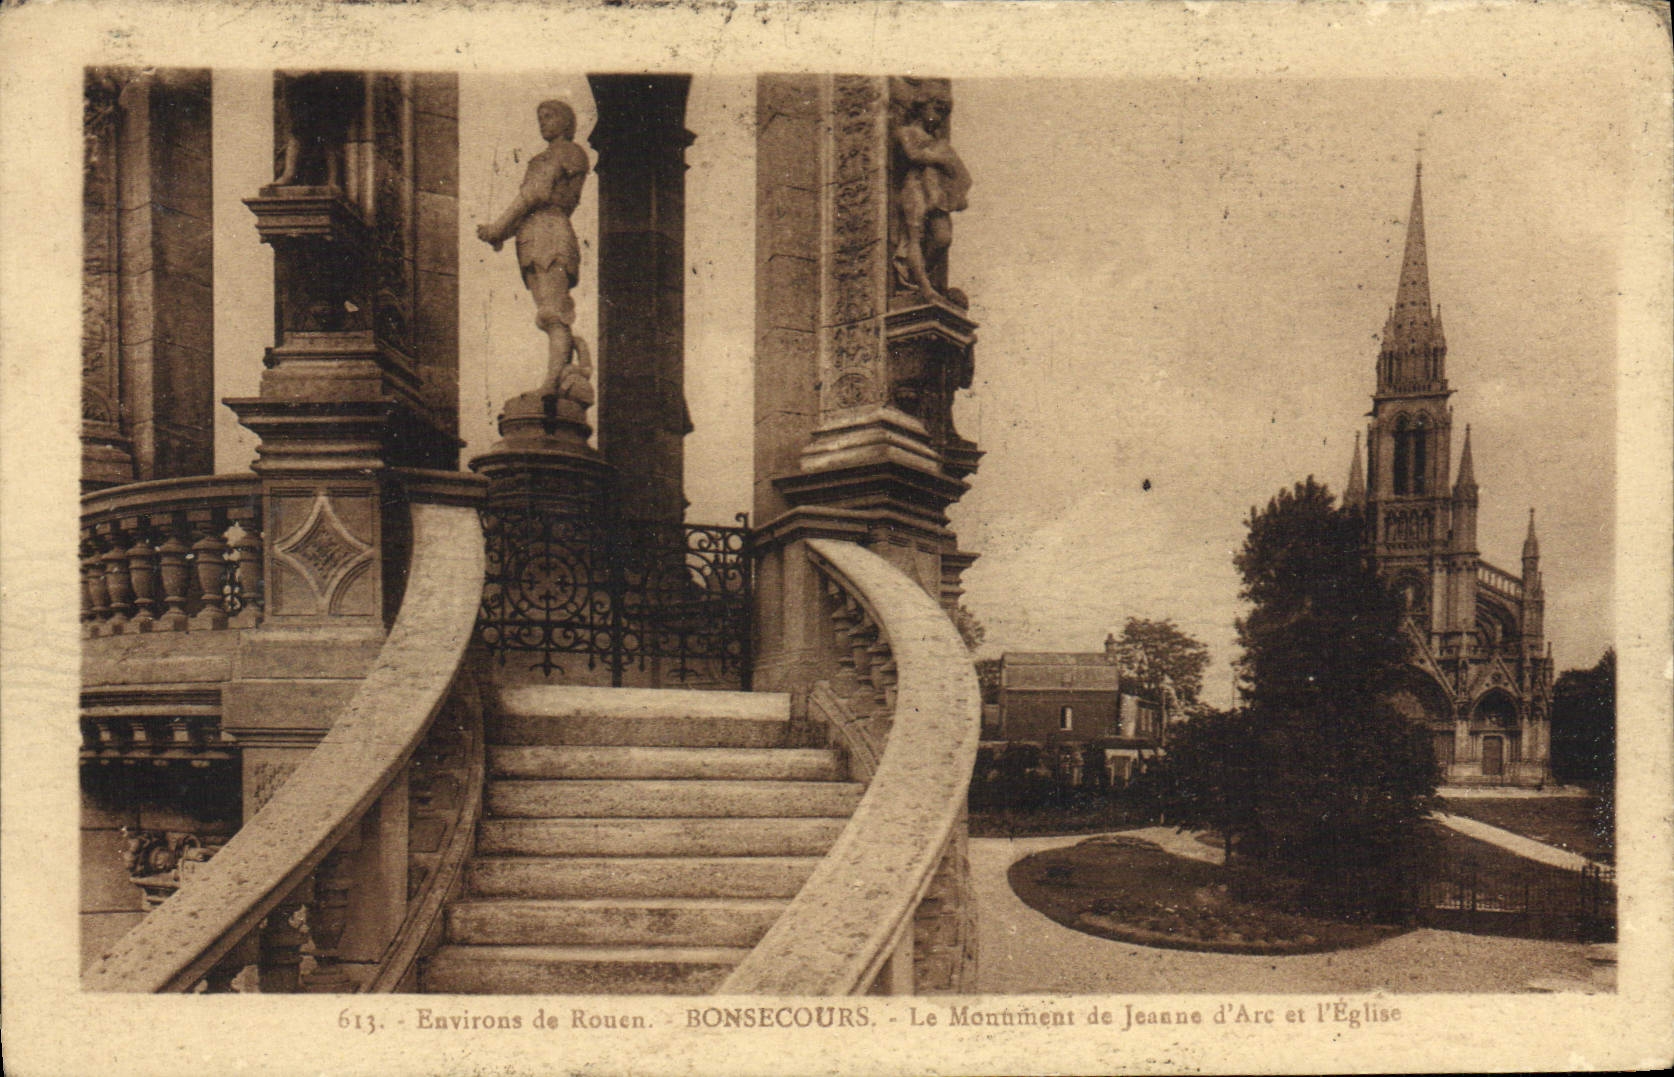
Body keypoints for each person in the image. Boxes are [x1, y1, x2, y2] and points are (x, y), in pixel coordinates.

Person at [477, 99, 594, 405]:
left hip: (549, 235)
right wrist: (502, 232)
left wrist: (499, 226)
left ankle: (552, 384)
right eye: (540, 116)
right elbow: (530, 206)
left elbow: (536, 193)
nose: (543, 121)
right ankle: (558, 375)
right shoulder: (553, 154)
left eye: (550, 116)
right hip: (535, 236)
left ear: (567, 122)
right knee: (549, 314)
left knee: (553, 314)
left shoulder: (566, 152)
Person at [891, 80, 972, 306]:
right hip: (915, 186)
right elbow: (913, 155)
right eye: (937, 110)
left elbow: (960, 174)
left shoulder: (939, 143)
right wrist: (942, 158)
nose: (939, 118)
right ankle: (924, 287)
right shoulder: (906, 132)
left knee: (942, 238)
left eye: (943, 113)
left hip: (937, 193)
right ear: (922, 105)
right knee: (914, 237)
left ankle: (917, 275)